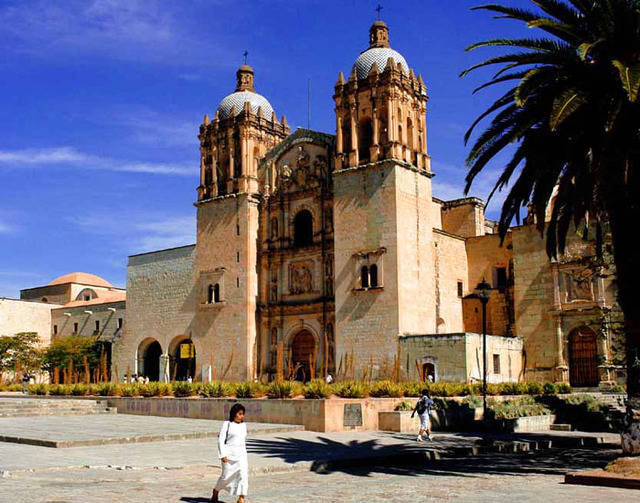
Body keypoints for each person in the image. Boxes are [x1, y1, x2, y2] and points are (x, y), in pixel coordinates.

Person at [211, 403, 248, 503]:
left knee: (243, 476)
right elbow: (221, 440)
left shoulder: (244, 425)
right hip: (229, 456)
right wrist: (222, 455)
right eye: (239, 414)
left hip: (241, 456)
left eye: (243, 414)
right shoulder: (226, 424)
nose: (242, 416)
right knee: (226, 477)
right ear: (234, 414)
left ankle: (241, 498)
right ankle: (216, 490)